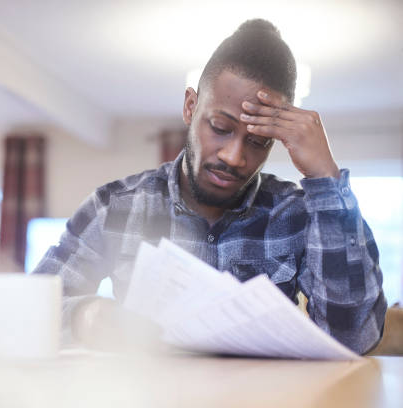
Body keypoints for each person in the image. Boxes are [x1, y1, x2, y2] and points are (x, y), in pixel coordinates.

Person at [34, 19, 387, 355]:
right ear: (191, 106)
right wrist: (87, 317)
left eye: (258, 141)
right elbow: (33, 309)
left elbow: (353, 339)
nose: (234, 157)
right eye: (220, 126)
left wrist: (325, 179)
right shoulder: (114, 207)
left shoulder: (296, 214)